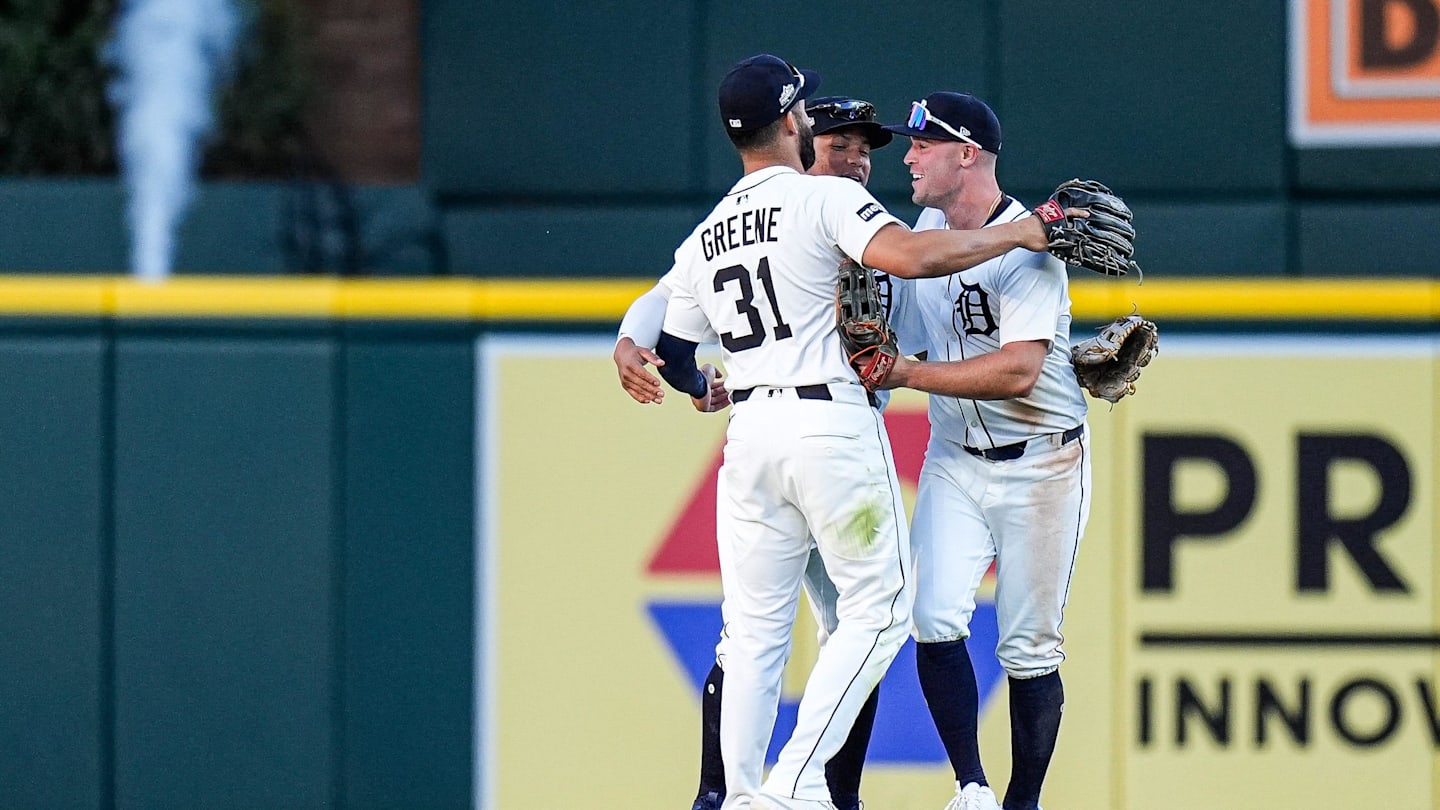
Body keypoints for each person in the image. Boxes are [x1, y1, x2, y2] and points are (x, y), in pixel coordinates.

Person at [647, 54, 1059, 810]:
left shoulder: (712, 229)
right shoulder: (817, 201)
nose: (860, 158)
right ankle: (793, 789)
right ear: (793, 123)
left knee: (751, 637)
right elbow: (907, 255)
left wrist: (697, 381)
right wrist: (1024, 233)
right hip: (828, 424)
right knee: (882, 612)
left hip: (749, 432)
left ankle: (741, 798)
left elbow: (673, 348)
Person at [615, 94, 900, 810]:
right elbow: (664, 298)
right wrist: (629, 335)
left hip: (776, 445)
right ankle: (750, 793)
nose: (855, 158)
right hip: (826, 443)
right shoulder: (812, 210)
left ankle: (809, 795)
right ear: (799, 140)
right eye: (839, 143)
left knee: (822, 632)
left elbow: (671, 306)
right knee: (854, 616)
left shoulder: (826, 216)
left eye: (866, 147)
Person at [874, 91, 1093, 810]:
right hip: (956, 454)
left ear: (965, 154)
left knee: (1029, 648)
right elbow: (901, 329)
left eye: (922, 144)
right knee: (932, 616)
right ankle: (971, 786)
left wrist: (907, 374)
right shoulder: (927, 225)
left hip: (1042, 463)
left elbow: (1018, 371)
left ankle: (1021, 803)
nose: (907, 156)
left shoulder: (1033, 248)